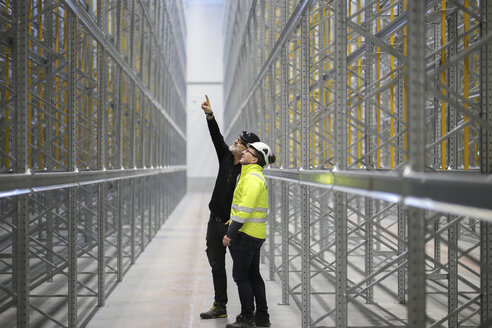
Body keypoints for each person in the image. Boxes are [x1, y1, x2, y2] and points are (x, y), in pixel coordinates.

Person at [200, 95, 260, 320]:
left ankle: (249, 311)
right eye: (236, 140)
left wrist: (234, 222)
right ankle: (220, 305)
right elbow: (217, 137)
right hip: (214, 221)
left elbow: (248, 200)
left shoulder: (247, 171)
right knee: (216, 265)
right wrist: (209, 114)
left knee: (242, 272)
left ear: (247, 150)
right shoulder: (226, 157)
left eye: (240, 143)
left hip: (232, 226)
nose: (235, 143)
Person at [223, 142, 276, 328]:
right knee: (253, 275)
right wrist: (233, 219)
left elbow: (245, 209)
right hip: (251, 233)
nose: (243, 152)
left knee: (241, 275)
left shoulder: (252, 178)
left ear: (255, 159)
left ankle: (247, 317)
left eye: (248, 151)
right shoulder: (249, 175)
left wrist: (230, 232)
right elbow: (243, 206)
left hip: (246, 235)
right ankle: (262, 316)